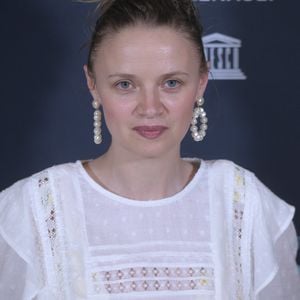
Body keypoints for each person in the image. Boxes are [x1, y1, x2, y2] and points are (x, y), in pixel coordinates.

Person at [0, 0, 299, 299]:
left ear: (201, 83)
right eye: (125, 85)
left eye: (171, 83)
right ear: (93, 84)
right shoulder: (33, 213)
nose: (150, 108)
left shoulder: (246, 207)